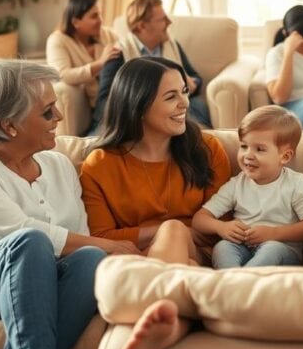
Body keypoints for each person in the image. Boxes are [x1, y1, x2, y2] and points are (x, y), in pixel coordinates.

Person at [0, 60, 138, 349]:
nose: (59, 116)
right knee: (29, 241)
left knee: (90, 259)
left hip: (45, 284)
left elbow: (81, 240)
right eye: (47, 111)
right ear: (8, 125)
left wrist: (104, 249)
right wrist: (110, 245)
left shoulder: (59, 166)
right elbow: (17, 232)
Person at [80, 56, 231, 265]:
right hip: (142, 259)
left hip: (200, 252)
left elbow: (221, 225)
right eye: (171, 97)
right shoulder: (100, 165)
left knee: (173, 231)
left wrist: (171, 232)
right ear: (139, 107)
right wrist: (162, 232)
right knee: (183, 259)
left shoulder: (207, 148)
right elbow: (102, 237)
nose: (185, 103)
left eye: (184, 91)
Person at [192, 105, 303, 268]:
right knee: (222, 246)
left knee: (272, 249)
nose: (248, 155)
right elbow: (199, 219)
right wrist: (221, 227)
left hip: (282, 250)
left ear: (285, 156)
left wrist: (273, 233)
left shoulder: (295, 184)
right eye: (244, 146)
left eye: (260, 149)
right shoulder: (237, 184)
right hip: (242, 248)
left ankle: (241, 285)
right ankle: (234, 283)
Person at [103, 0, 211, 128]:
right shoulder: (118, 53)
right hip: (135, 112)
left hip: (174, 104)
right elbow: (105, 100)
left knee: (198, 108)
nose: (169, 22)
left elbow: (195, 78)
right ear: (142, 26)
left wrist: (192, 83)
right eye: (162, 19)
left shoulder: (172, 45)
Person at [45, 0, 122, 135]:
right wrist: (101, 63)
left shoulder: (108, 35)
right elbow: (62, 75)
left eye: (100, 15)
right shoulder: (57, 40)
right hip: (94, 104)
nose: (101, 20)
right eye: (94, 16)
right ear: (75, 21)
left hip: (115, 97)